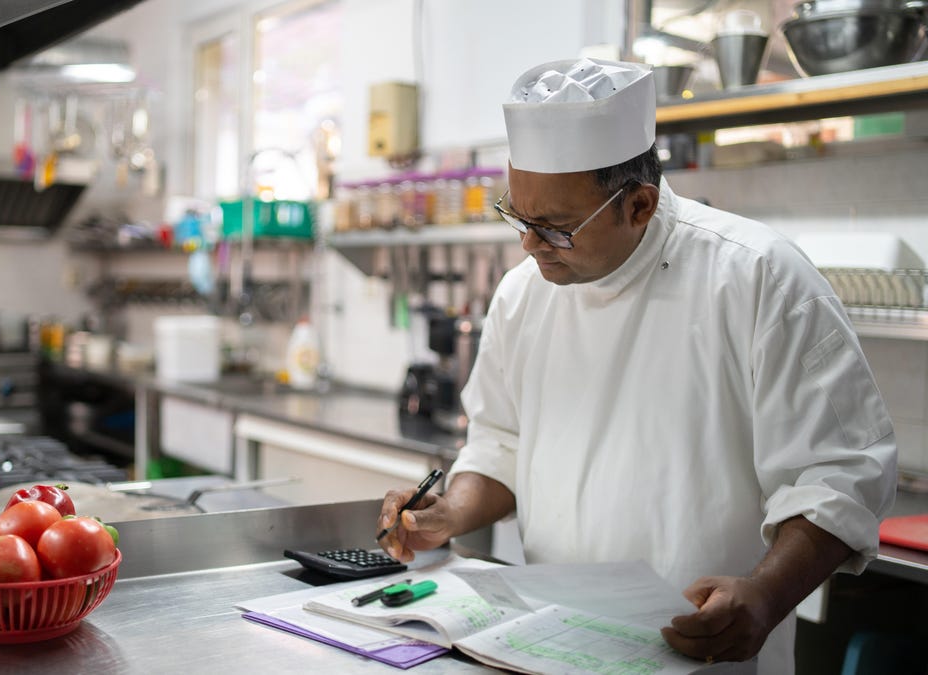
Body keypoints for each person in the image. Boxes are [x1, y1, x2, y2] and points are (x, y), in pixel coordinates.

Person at [376, 57, 896, 673]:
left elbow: (840, 474)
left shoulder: (758, 277)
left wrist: (765, 594)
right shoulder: (522, 295)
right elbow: (501, 443)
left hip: (702, 654)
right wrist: (452, 511)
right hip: (550, 647)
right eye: (518, 217)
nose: (529, 246)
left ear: (640, 206)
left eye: (556, 228)